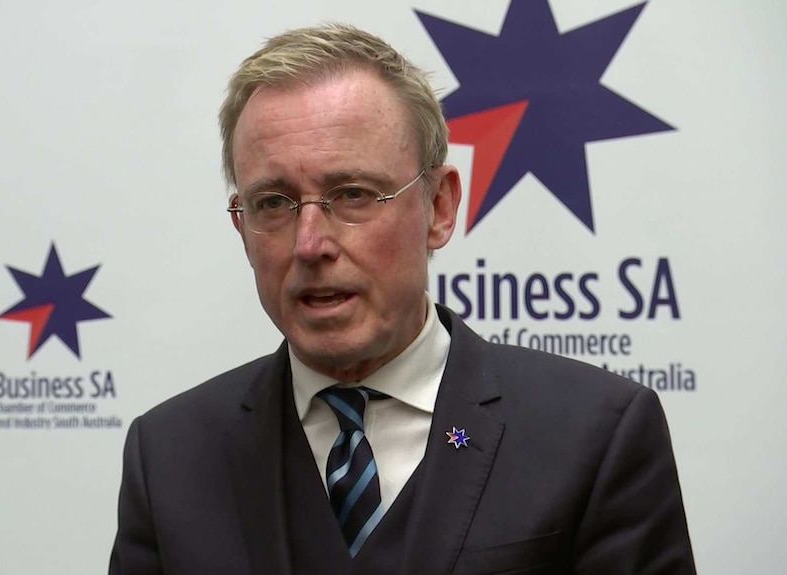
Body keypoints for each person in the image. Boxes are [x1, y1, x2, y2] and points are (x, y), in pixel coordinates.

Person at [109, 23, 696, 575]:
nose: (310, 244)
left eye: (353, 194)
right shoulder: (168, 456)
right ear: (241, 226)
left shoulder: (594, 434)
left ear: (439, 208)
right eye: (273, 203)